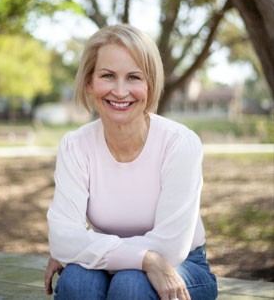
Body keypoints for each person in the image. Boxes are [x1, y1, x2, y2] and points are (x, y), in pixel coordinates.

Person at [44, 25, 218, 300]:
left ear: (150, 85)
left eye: (134, 77)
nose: (121, 91)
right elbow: (63, 237)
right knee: (77, 282)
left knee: (131, 285)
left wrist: (82, 249)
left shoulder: (180, 143)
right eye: (108, 76)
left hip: (181, 265)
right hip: (109, 261)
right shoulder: (74, 145)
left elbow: (171, 248)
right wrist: (144, 258)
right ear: (89, 82)